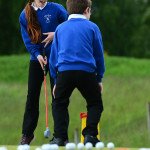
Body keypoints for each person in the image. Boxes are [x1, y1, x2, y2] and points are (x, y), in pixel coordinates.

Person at [49, 0, 105, 146]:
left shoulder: (60, 29)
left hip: (65, 72)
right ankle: (90, 135)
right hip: (86, 72)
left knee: (59, 103)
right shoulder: (93, 27)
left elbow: (54, 57)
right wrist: (99, 79)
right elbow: (99, 56)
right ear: (87, 10)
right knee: (95, 103)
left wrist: (55, 80)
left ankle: (60, 137)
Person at [19, 0, 68, 145]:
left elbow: (68, 27)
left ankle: (61, 136)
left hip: (56, 58)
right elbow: (27, 39)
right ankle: (27, 135)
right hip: (37, 59)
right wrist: (37, 55)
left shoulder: (57, 9)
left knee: (58, 95)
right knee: (32, 96)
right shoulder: (25, 15)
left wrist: (56, 34)